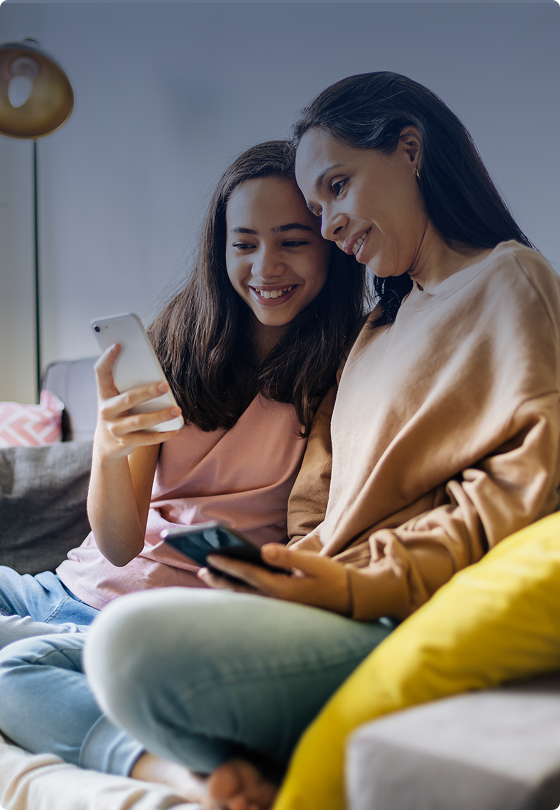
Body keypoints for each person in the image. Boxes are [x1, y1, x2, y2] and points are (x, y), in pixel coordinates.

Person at [4, 72, 560, 810]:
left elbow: (516, 495)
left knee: (105, 650)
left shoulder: (506, 281)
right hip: (282, 595)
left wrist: (346, 584)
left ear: (410, 149)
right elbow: (316, 508)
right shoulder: (381, 328)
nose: (329, 226)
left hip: (360, 603)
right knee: (51, 656)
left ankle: (166, 763)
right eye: (317, 206)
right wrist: (284, 569)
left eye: (337, 189)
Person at [0, 139, 365, 647]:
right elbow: (119, 547)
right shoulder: (174, 343)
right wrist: (109, 444)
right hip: (65, 590)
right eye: (244, 245)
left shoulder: (346, 369)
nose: (266, 267)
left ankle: (40, 648)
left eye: (292, 242)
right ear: (220, 251)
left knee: (25, 666)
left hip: (155, 629)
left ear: (330, 245)